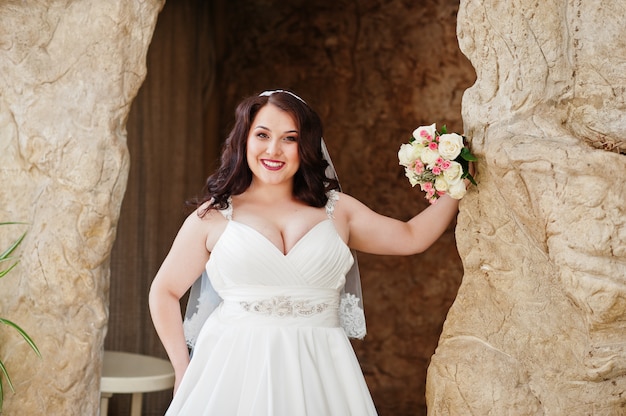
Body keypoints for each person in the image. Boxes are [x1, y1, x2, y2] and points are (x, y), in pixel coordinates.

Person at [149, 90, 468, 415]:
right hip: (232, 368)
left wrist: (459, 181)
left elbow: (411, 236)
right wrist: (183, 368)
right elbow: (165, 291)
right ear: (244, 139)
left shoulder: (338, 211)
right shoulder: (213, 216)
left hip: (322, 368)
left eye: (290, 138)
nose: (273, 149)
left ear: (307, 147)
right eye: (262, 135)